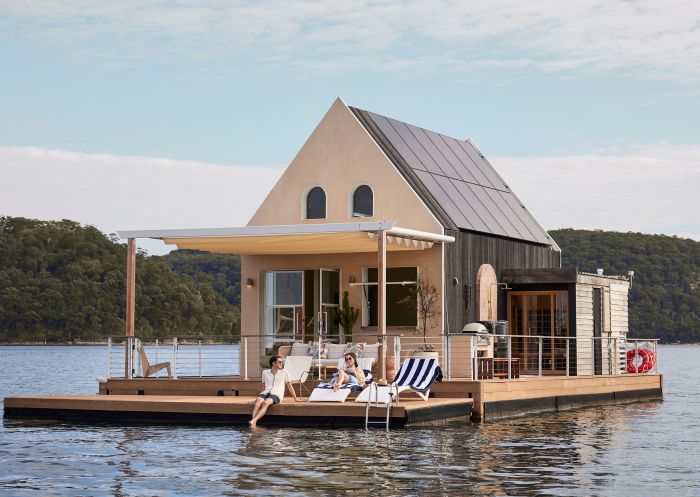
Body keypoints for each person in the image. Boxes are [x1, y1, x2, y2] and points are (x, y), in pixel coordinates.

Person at [250, 355, 301, 427]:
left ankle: (254, 420)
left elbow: (290, 386)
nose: (281, 364)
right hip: (265, 392)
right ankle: (253, 423)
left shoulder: (284, 372)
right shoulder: (265, 372)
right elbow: (264, 386)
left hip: (276, 394)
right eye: (280, 362)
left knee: (265, 403)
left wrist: (295, 399)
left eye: (282, 362)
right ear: (273, 363)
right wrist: (258, 396)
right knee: (258, 402)